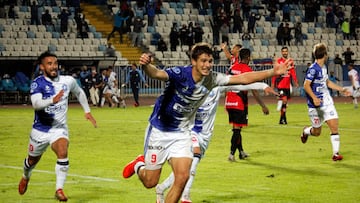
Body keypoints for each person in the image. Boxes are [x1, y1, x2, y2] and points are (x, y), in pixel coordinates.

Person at [122, 42, 293, 203]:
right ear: (193, 61)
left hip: (182, 133)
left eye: (210, 61)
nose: (207, 65)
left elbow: (243, 78)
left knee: (182, 177)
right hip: (160, 130)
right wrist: (146, 65)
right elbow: (157, 73)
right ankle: (139, 164)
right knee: (150, 181)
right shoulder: (180, 74)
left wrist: (273, 71)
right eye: (203, 61)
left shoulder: (213, 79)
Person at [155, 83, 278, 203]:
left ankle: (161, 188)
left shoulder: (216, 87)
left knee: (186, 169)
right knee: (194, 160)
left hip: (205, 136)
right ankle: (186, 196)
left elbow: (241, 84)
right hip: (190, 132)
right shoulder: (190, 88)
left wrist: (262, 86)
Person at [18, 51, 97, 201]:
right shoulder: (38, 83)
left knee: (62, 151)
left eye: (55, 63)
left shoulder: (67, 81)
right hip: (40, 130)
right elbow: (36, 104)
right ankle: (25, 176)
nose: (54, 66)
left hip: (59, 128)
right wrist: (52, 100)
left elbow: (79, 92)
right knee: (31, 161)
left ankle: (59, 189)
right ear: (42, 67)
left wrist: (87, 111)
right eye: (49, 64)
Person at [300, 43, 351, 161]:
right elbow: (306, 85)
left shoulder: (324, 68)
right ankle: (306, 131)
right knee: (317, 132)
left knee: (334, 126)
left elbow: (327, 82)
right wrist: (314, 98)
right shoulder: (313, 69)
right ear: (325, 55)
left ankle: (336, 154)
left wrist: (341, 89)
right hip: (315, 106)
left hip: (327, 102)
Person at [225, 48, 270, 161]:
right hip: (239, 102)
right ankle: (231, 154)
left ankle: (241, 152)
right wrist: (263, 106)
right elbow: (254, 90)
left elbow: (225, 83)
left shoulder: (232, 67)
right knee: (236, 129)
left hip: (229, 101)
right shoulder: (248, 70)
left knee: (237, 127)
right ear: (249, 58)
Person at [271, 46, 299, 124]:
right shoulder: (278, 61)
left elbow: (293, 72)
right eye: (283, 51)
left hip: (287, 86)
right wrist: (273, 84)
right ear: (281, 52)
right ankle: (283, 119)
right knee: (284, 100)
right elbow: (275, 73)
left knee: (285, 103)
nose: (285, 52)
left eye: (286, 51)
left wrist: (295, 81)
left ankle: (282, 119)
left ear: (287, 52)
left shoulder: (290, 61)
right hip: (280, 85)